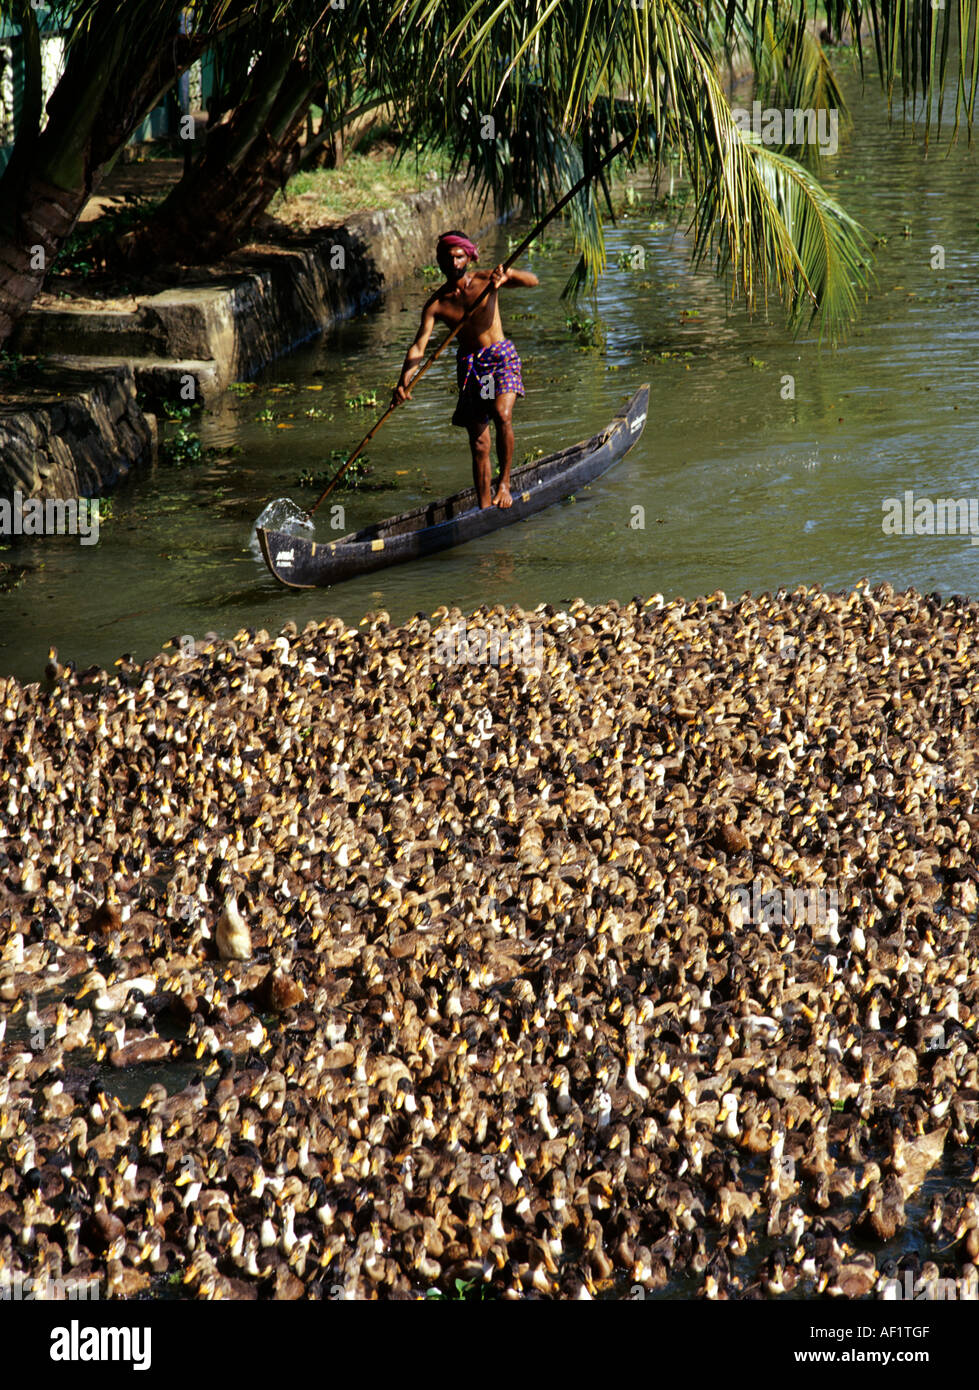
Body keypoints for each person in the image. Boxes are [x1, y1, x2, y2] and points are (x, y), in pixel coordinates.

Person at [392, 231, 538, 509]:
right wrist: (404, 380)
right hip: (472, 366)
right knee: (480, 443)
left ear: (469, 256)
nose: (453, 263)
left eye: (459, 256)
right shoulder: (437, 304)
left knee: (502, 413)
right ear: (439, 261)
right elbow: (418, 347)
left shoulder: (486, 279)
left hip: (499, 357)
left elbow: (533, 281)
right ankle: (484, 506)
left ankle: (504, 483)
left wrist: (507, 276)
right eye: (447, 258)